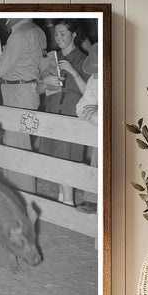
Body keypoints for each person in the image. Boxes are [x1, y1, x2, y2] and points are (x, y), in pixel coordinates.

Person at [37, 19, 89, 206]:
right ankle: (63, 199)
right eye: (56, 34)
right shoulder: (52, 57)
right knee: (55, 160)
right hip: (52, 113)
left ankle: (68, 201)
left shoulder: (84, 60)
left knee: (66, 160)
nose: (58, 38)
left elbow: (90, 93)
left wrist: (73, 72)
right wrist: (46, 82)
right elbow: (38, 90)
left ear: (74, 35)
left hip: (70, 115)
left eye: (63, 34)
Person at [0, 18, 47, 193]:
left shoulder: (19, 35)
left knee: (16, 145)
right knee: (22, 142)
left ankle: (20, 193)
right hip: (29, 90)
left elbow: (0, 69)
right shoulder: (38, 30)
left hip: (17, 92)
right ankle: (19, 190)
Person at [75, 43, 99, 214]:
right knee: (96, 163)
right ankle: (92, 200)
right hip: (99, 129)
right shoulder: (94, 79)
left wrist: (103, 107)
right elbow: (82, 108)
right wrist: (96, 114)